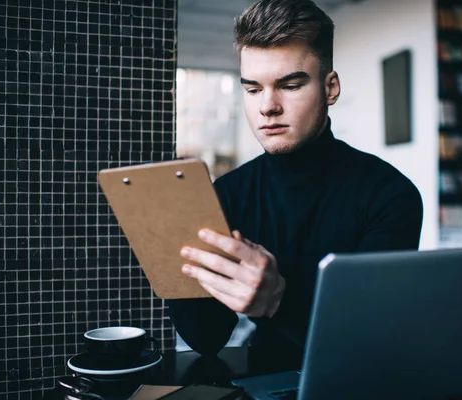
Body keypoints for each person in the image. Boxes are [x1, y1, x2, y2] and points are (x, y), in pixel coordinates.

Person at [167, 0, 423, 356]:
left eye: (289, 85)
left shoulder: (390, 194)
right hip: (260, 372)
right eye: (253, 89)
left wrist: (276, 300)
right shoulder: (227, 193)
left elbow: (367, 335)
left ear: (330, 88)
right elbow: (206, 338)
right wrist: (171, 247)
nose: (267, 106)